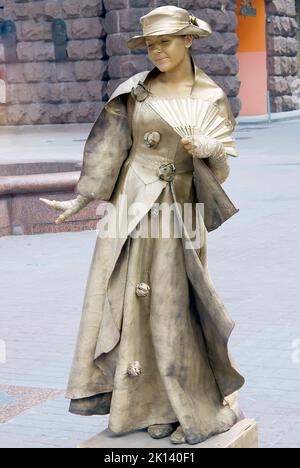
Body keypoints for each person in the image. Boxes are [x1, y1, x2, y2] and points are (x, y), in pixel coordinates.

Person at [40, 5, 244, 445]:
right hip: (129, 207)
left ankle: (181, 403)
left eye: (164, 43)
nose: (156, 52)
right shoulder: (134, 91)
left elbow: (221, 173)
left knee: (171, 308)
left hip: (178, 212)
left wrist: (210, 149)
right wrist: (81, 199)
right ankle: (144, 403)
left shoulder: (209, 97)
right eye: (150, 45)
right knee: (125, 301)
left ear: (188, 41)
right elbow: (111, 149)